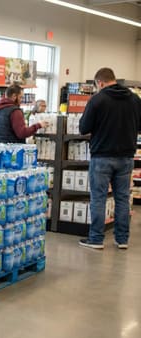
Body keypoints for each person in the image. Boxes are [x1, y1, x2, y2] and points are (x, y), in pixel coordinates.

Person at [78, 67, 141, 250]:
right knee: (122, 198)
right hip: (126, 157)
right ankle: (122, 239)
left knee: (98, 198)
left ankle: (96, 239)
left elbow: (84, 127)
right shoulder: (134, 99)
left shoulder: (97, 100)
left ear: (100, 83)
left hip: (102, 157)